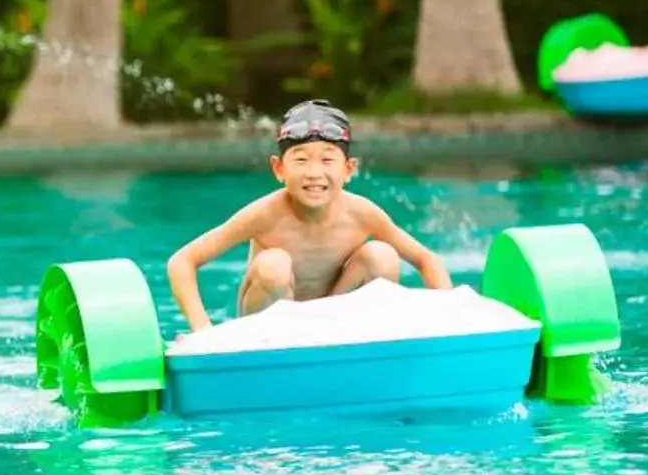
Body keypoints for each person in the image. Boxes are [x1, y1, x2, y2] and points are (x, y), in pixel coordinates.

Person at [165, 98, 452, 333]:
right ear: (279, 169)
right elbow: (182, 261)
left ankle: (365, 344)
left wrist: (450, 321)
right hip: (265, 331)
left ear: (348, 170)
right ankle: (271, 355)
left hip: (334, 325)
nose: (314, 173)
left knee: (382, 256)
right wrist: (202, 332)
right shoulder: (264, 214)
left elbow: (427, 260)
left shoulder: (361, 213)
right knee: (274, 264)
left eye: (327, 159)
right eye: (301, 160)